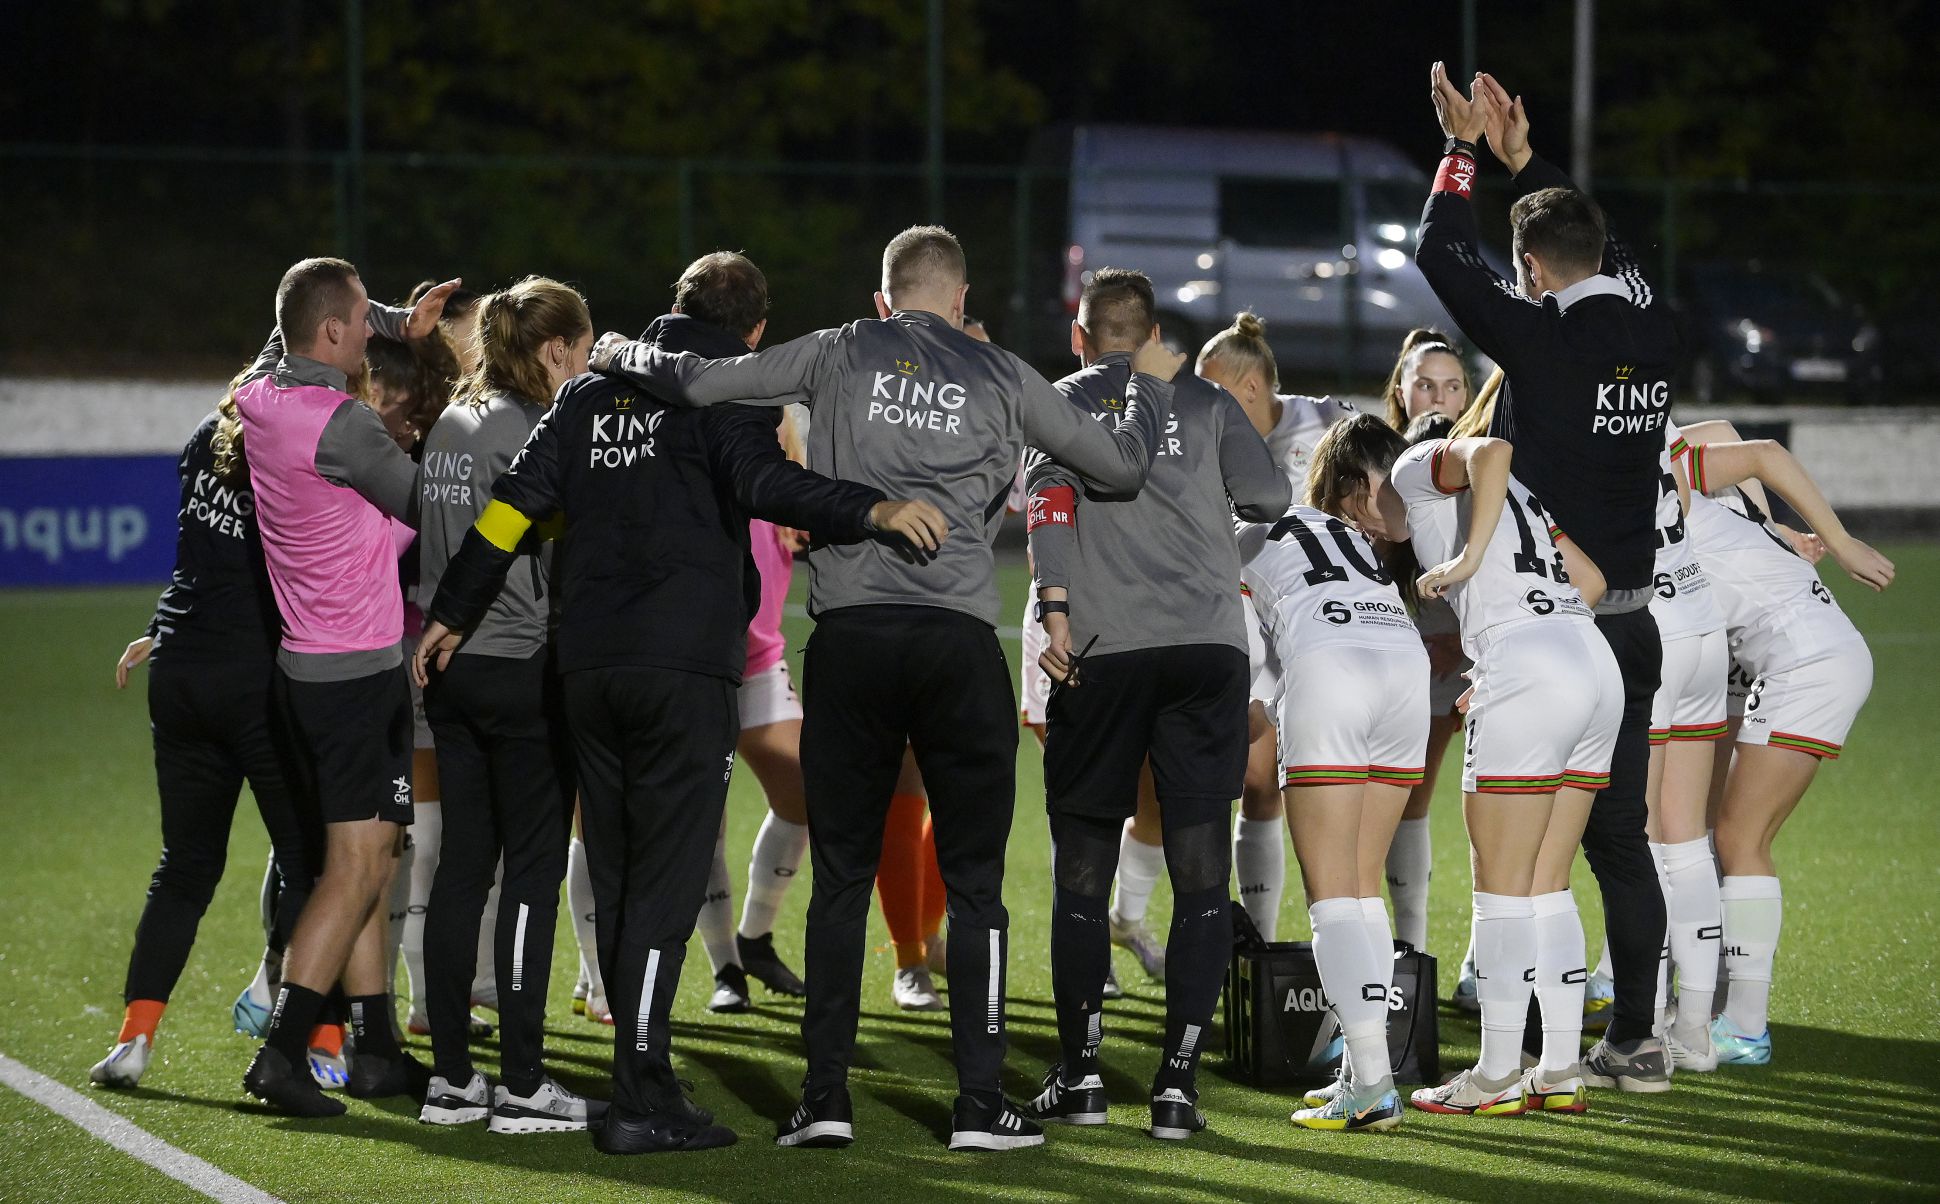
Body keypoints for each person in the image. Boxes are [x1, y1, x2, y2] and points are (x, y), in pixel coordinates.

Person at [589, 224, 1178, 1152]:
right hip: (955, 645)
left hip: (852, 644)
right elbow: (1120, 468)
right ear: (960, 296)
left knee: (841, 880)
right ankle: (980, 1106)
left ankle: (823, 1100)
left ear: (882, 298)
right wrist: (1132, 380)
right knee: (978, 886)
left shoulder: (837, 349)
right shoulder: (1004, 374)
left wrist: (621, 348)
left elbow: (699, 383)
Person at [422, 259, 948, 1155]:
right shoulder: (722, 392)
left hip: (585, 668)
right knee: (666, 886)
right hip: (680, 668)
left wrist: (452, 611)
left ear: (675, 306)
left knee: (622, 877)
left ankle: (645, 1074)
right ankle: (638, 1096)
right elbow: (769, 486)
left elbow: (512, 510)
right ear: (753, 332)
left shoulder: (588, 392)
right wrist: (875, 509)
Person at [1419, 66, 1675, 1090]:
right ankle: (1632, 1043)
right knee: (1617, 843)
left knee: (1520, 852)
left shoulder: (1540, 338)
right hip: (1632, 630)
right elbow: (1600, 250)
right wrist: (1528, 164)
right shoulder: (1659, 320)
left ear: (1527, 267)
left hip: (1548, 627)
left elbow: (1437, 250)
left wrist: (1462, 150)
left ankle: (1510, 1054)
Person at [1021, 268, 1288, 1141]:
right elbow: (1270, 499)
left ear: (1082, 335)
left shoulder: (1059, 402)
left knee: (1084, 873)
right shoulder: (1208, 400)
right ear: (1155, 332)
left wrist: (1055, 604)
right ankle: (1177, 1087)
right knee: (1202, 872)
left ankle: (1086, 1076)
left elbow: (1046, 507)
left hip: (1103, 650)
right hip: (1207, 648)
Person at [1307, 414, 1620, 1117]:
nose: (1362, 526)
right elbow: (1592, 579)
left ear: (1361, 482)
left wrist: (1473, 568)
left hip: (1532, 665)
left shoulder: (1419, 467)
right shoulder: (1522, 499)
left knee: (1501, 887)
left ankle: (1496, 1074)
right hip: (1591, 661)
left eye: (1348, 506)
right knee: (1547, 880)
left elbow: (1494, 447)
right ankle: (1560, 1068)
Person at [235, 258, 460, 1116]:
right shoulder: (346, 428)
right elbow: (432, 506)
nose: (374, 329)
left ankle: (374, 1049)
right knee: (360, 863)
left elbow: (299, 308)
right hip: (357, 673)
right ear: (332, 334)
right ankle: (284, 1052)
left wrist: (402, 320)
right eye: (363, 319)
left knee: (367, 858)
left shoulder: (261, 393)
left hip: (311, 669)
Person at [90, 378, 311, 1089]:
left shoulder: (201, 440)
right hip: (255, 683)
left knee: (184, 866)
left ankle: (133, 1041)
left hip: (181, 672)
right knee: (319, 865)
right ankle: (308, 1034)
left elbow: (197, 559)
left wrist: (160, 628)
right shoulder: (300, 458)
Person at [412, 276, 595, 1132]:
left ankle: (453, 1079)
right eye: (584, 349)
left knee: (460, 869)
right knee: (529, 872)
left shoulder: (452, 421)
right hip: (522, 666)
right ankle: (523, 1081)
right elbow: (560, 566)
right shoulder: (538, 430)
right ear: (555, 349)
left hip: (450, 672)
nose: (588, 364)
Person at [1670, 427, 1893, 1066]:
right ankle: (1734, 1020)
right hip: (1809, 659)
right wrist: (1777, 530)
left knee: (1739, 841)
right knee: (1732, 837)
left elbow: (1759, 450)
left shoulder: (1664, 472)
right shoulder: (1665, 487)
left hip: (1806, 663)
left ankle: (1743, 1027)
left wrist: (1843, 543)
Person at [1235, 499, 1428, 1132]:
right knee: (1362, 886)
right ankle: (1367, 1070)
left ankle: (1372, 1086)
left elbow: (1248, 668)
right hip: (1405, 663)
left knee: (1332, 897)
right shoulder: (1329, 525)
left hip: (1333, 662)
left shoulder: (1233, 534)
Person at [1196, 312, 1357, 940]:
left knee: (1322, 787)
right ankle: (1256, 943)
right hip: (1246, 627)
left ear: (1250, 388)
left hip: (1325, 626)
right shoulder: (1207, 441)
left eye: (1213, 390)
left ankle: (1357, 937)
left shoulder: (1327, 422)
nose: (1203, 404)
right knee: (1258, 782)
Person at [1377, 333, 1475, 958]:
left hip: (1489, 648)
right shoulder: (1384, 466)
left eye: (1452, 385)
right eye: (1424, 384)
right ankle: (1410, 952)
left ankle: (1481, 961)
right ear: (1400, 393)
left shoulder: (1489, 458)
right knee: (1411, 792)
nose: (1438, 397)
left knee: (1500, 799)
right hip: (1422, 650)